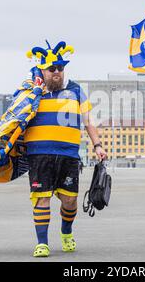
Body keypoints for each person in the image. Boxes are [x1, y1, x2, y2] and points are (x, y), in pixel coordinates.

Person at [25, 41, 107, 257]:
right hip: (39, 155)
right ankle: (42, 243)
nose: (57, 73)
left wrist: (97, 145)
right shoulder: (30, 91)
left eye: (60, 68)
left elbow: (88, 122)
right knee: (42, 198)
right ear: (43, 69)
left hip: (68, 155)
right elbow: (14, 120)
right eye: (52, 69)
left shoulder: (75, 90)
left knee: (69, 200)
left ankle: (66, 231)